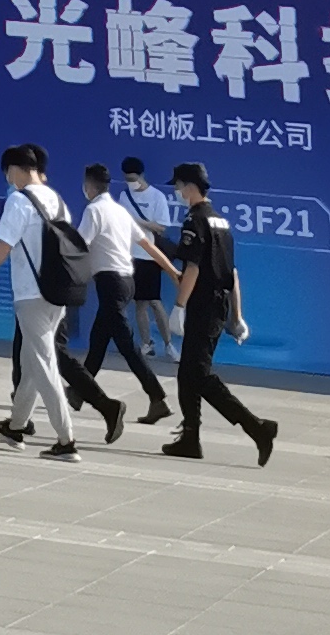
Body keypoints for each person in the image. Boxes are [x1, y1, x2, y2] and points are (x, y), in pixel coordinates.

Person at [0, 143, 95, 452]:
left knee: (43, 363)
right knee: (30, 361)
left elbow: (3, 246)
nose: (9, 179)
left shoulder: (19, 200)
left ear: (14, 170)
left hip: (31, 294)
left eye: (8, 173)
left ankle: (66, 440)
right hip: (58, 292)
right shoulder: (56, 199)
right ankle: (16, 426)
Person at [161, 161, 278, 466]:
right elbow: (232, 274)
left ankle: (257, 428)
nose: (176, 192)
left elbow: (193, 268)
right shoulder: (221, 222)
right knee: (188, 374)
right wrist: (236, 316)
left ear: (189, 187)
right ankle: (190, 437)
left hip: (202, 307)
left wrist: (179, 306)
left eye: (178, 186)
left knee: (199, 376)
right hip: (217, 305)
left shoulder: (195, 220)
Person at [64, 160, 168, 424]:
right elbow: (149, 245)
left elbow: (79, 246)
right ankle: (78, 392)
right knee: (98, 341)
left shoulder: (94, 211)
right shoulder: (121, 212)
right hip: (126, 282)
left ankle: (157, 397)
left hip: (110, 283)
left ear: (89, 186)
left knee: (127, 346)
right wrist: (171, 270)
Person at [121, 156, 180, 370]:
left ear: (142, 176)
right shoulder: (124, 196)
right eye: (127, 179)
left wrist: (137, 222)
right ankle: (147, 344)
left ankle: (169, 344)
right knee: (140, 303)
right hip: (131, 255)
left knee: (154, 301)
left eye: (133, 178)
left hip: (150, 254)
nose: (130, 182)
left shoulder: (157, 197)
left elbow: (162, 227)